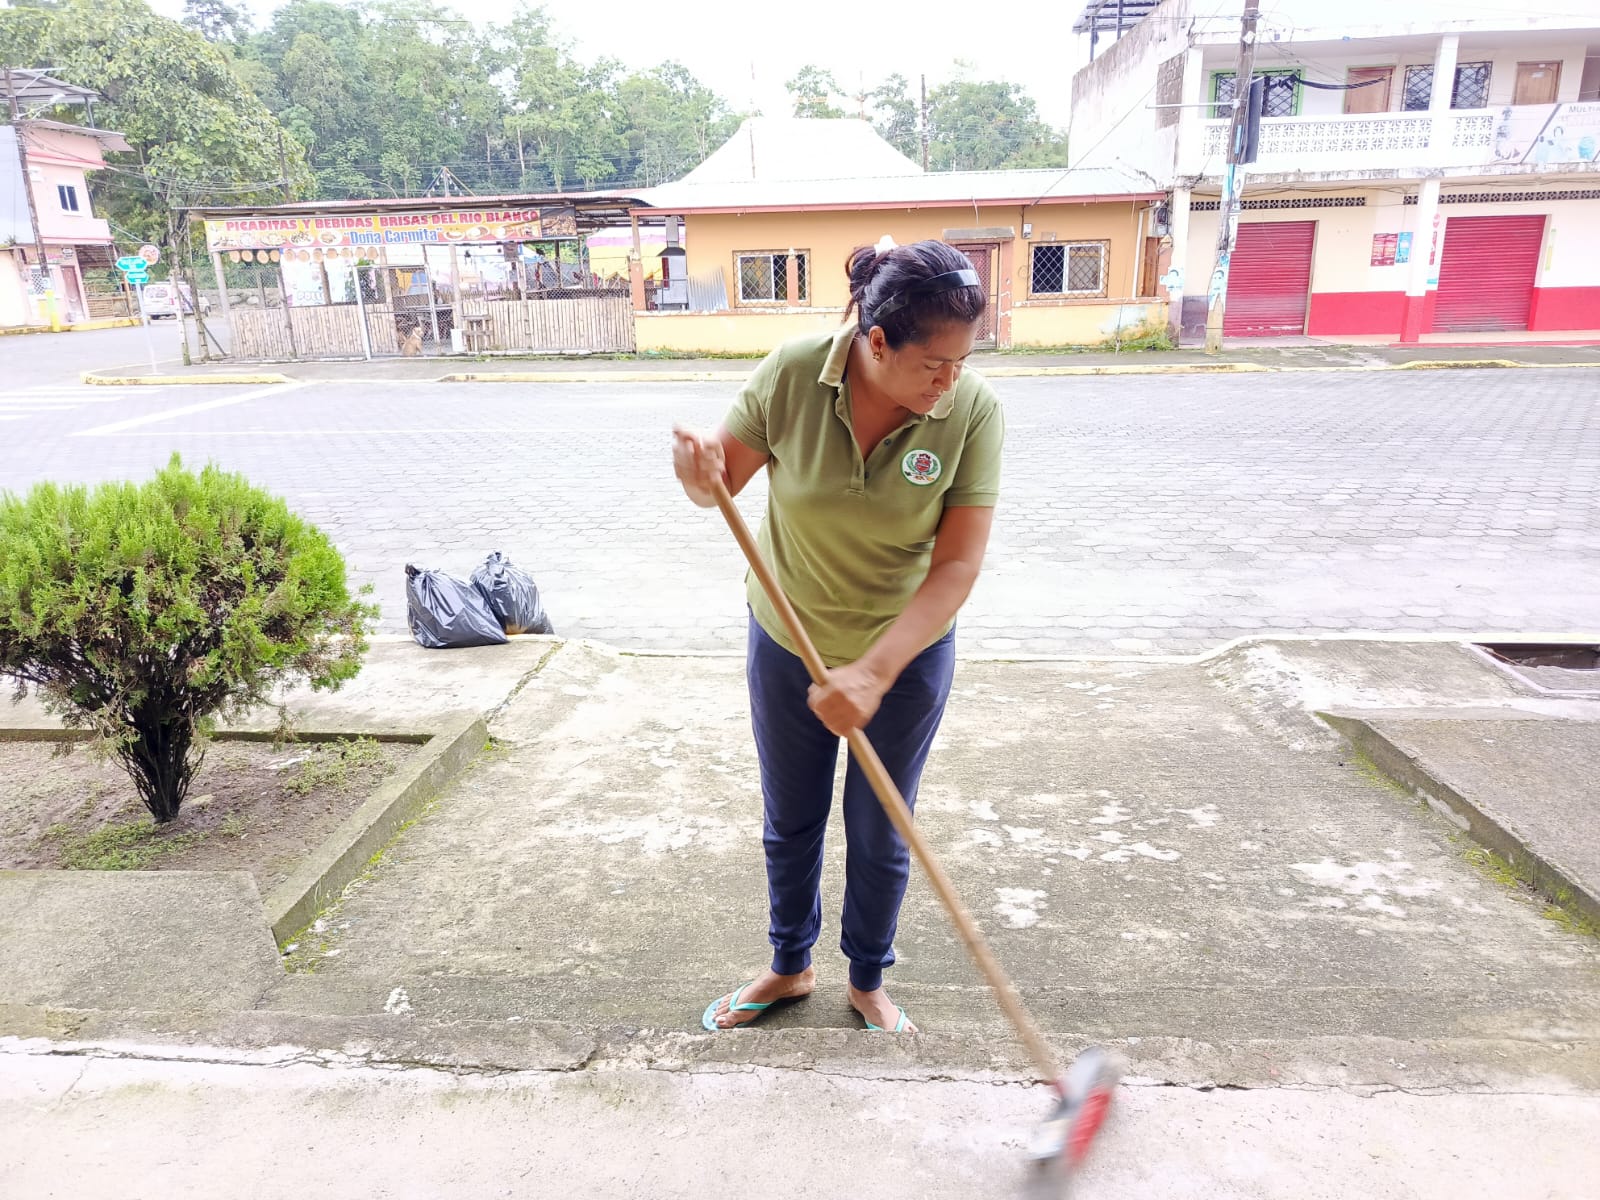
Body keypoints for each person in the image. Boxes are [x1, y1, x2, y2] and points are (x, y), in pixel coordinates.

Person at [672, 238, 1004, 1035]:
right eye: (934, 365)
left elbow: (957, 566)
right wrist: (698, 474)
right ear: (877, 341)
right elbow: (722, 481)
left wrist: (876, 672)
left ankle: (867, 978)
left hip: (906, 653)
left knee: (882, 824)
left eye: (962, 362)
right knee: (791, 816)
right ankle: (790, 964)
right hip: (789, 638)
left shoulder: (972, 412)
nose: (949, 382)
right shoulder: (793, 374)